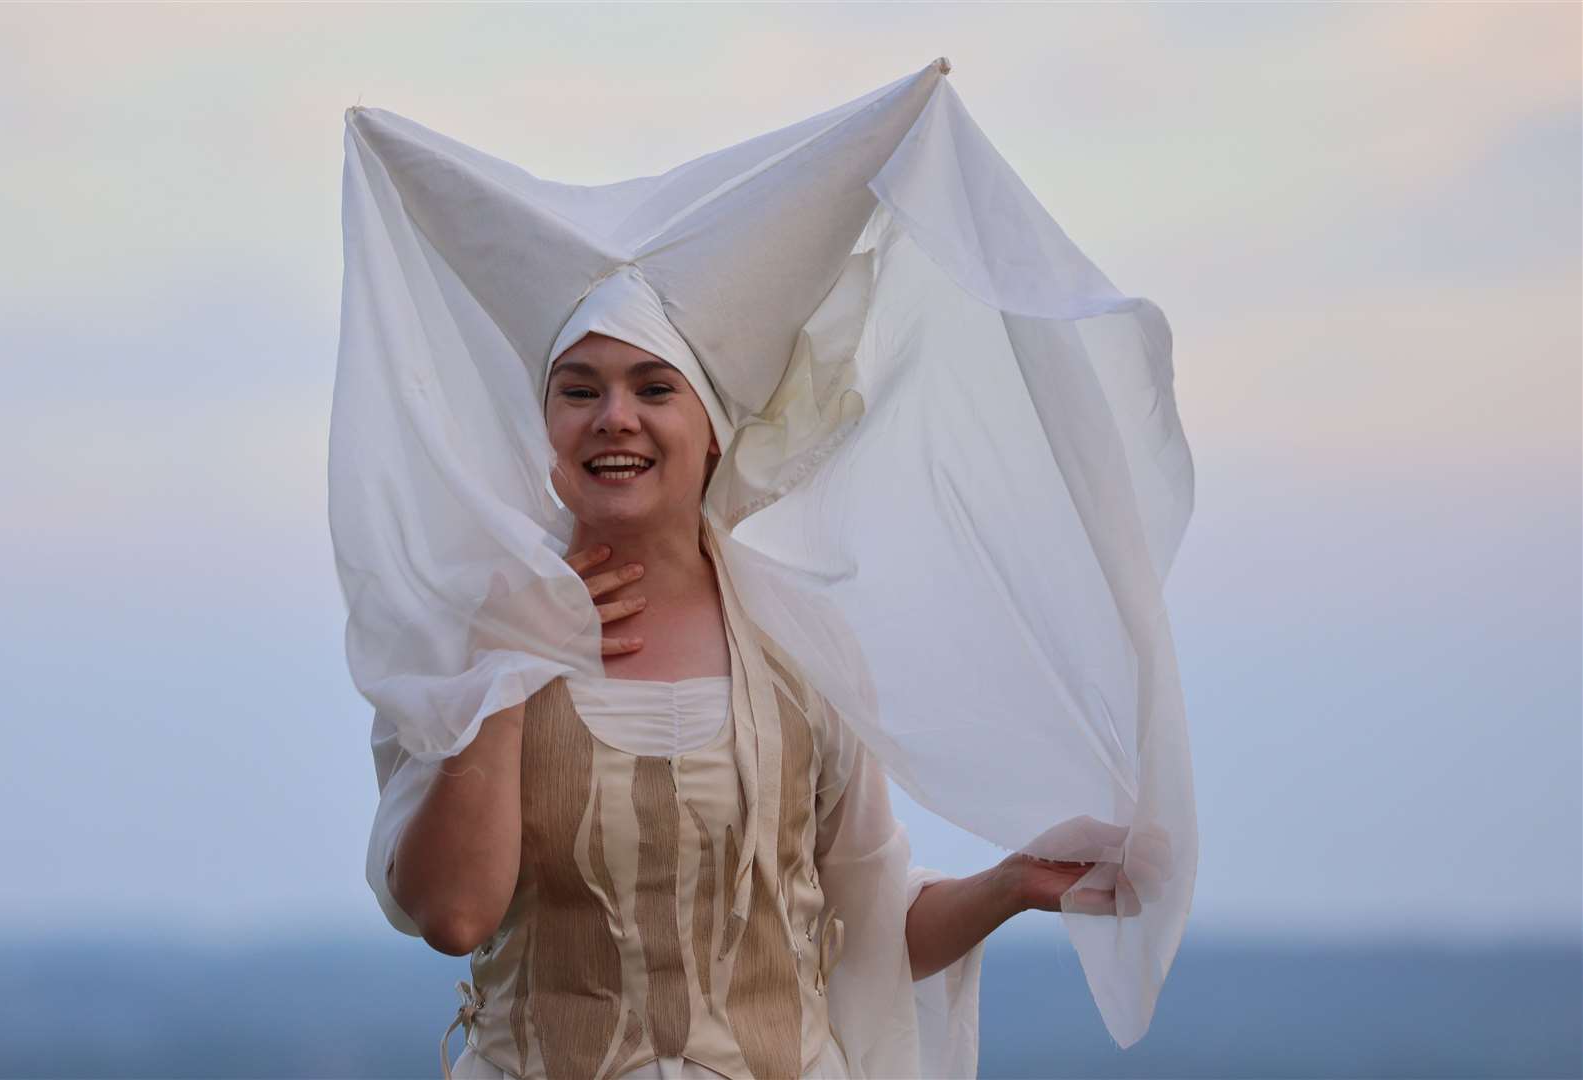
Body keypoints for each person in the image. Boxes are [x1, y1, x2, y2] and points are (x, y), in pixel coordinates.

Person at [338, 57, 1197, 1076]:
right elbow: (452, 910)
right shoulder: (473, 634)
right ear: (546, 431)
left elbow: (860, 928)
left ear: (710, 434)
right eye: (579, 389)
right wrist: (506, 664)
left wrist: (1009, 884)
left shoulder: (795, 641)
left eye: (652, 387)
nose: (614, 416)